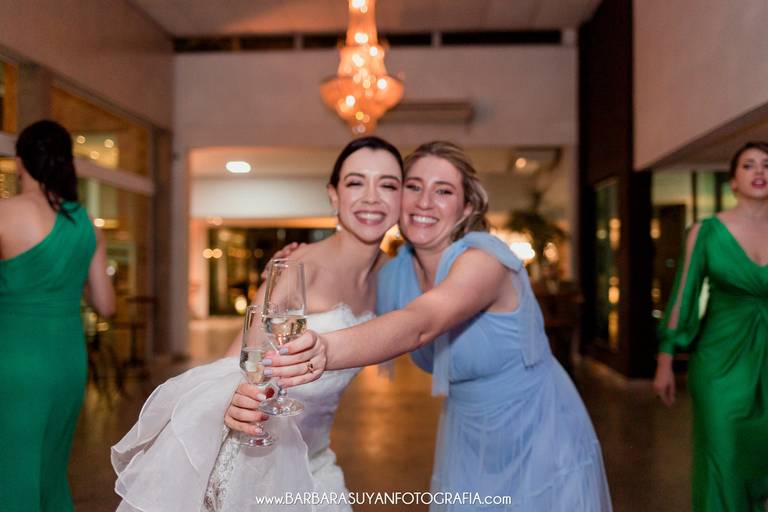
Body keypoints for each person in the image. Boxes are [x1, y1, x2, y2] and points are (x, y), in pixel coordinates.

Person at [263, 141, 612, 511]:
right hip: (466, 435)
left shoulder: (484, 262)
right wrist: (294, 265)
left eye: (443, 191)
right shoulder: (392, 274)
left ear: (467, 207)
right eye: (414, 187)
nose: (425, 202)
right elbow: (346, 278)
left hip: (537, 428)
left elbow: (420, 323)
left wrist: (324, 349)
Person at [112, 136, 404, 511]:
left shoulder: (393, 275)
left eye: (387, 184)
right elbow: (235, 363)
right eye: (355, 182)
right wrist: (235, 398)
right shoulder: (297, 269)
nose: (371, 197)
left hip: (316, 458)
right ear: (333, 195)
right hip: (257, 460)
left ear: (402, 198)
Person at [0, 120, 115, 512]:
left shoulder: (5, 212)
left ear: (20, 161)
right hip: (66, 359)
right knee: (50, 469)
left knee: (10, 468)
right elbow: (106, 305)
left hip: (13, 357)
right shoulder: (85, 224)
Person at [653, 141, 768, 511]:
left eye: (767, 164)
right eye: (748, 165)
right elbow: (683, 296)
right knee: (723, 455)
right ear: (733, 181)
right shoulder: (705, 232)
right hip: (720, 363)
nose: (760, 171)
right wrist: (666, 358)